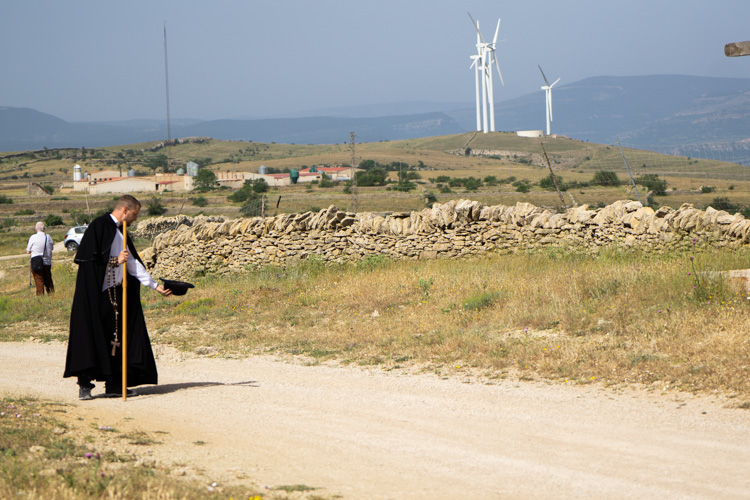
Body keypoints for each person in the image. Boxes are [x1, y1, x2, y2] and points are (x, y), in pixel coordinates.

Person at [63, 195, 172, 400]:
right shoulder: (99, 226)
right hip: (96, 296)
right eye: (134, 214)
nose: (135, 219)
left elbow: (132, 263)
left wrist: (155, 286)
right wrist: (114, 260)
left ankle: (114, 384)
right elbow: (88, 261)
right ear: (125, 210)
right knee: (90, 336)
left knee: (117, 338)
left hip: (116, 295)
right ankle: (84, 385)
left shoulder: (121, 232)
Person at [26, 221, 54, 295]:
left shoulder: (33, 237)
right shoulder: (48, 237)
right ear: (44, 229)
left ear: (36, 229)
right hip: (47, 262)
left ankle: (40, 296)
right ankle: (52, 294)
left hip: (36, 262)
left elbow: (28, 251)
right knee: (48, 279)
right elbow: (51, 248)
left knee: (39, 280)